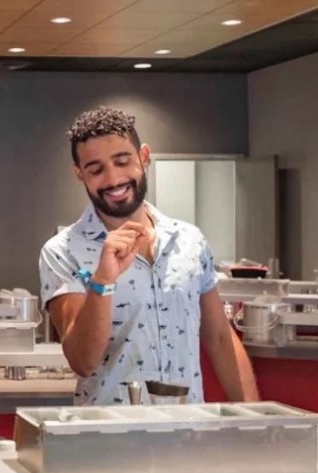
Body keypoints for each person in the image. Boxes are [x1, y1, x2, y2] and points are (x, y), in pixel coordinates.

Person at [39, 107, 259, 406]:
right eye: (96, 169)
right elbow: (82, 361)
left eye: (122, 161)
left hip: (187, 426)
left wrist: (255, 417)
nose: (113, 178)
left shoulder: (189, 240)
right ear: (80, 174)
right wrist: (103, 279)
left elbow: (220, 338)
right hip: (110, 429)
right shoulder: (63, 251)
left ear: (143, 157)